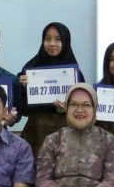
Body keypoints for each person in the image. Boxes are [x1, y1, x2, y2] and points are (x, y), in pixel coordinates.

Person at [17, 22, 85, 154]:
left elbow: (84, 108)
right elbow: (22, 108)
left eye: (58, 39)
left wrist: (67, 109)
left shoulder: (74, 74)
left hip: (67, 137)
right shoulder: (31, 68)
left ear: (65, 42)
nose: (52, 44)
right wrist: (24, 88)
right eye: (47, 39)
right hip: (36, 135)